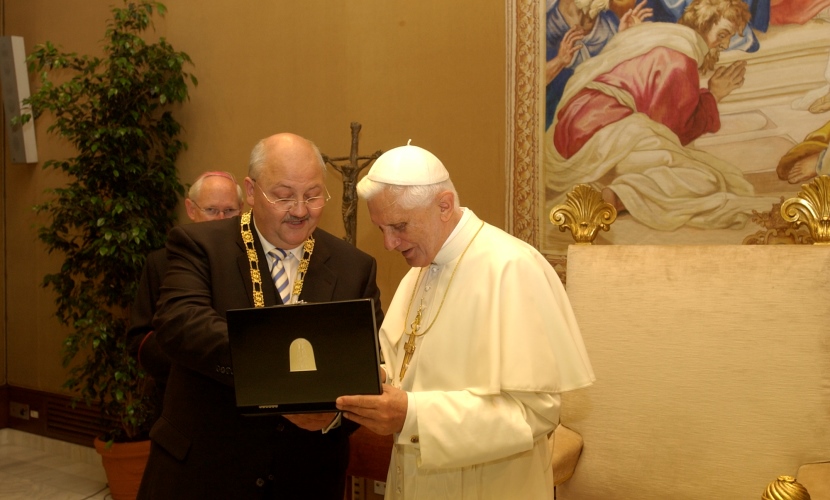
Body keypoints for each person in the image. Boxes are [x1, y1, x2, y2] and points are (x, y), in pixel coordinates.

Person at [335, 142, 595, 499]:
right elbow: (407, 368)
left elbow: (534, 413)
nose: (389, 244)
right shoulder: (421, 270)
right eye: (381, 228)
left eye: (398, 226)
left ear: (443, 205)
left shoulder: (511, 268)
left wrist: (413, 415)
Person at [137, 133, 383, 499]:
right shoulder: (201, 245)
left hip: (306, 477)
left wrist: (334, 417)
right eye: (283, 195)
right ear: (251, 191)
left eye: (313, 195)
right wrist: (275, 366)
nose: (300, 210)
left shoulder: (354, 267)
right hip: (203, 472)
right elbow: (180, 324)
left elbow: (366, 365)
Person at [546, 0, 781, 231]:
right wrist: (713, 96)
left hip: (574, 127)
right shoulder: (681, 59)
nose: (725, 43)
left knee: (693, 169)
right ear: (705, 22)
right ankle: (617, 196)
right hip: (602, 127)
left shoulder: (658, 36)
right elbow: (672, 133)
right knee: (706, 180)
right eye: (723, 34)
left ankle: (612, 188)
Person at [128, 170, 245, 399]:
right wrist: (197, 365)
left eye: (229, 210)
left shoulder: (253, 259)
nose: (221, 219)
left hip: (239, 394)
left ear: (242, 211)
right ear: (191, 210)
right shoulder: (161, 261)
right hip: (179, 394)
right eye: (211, 210)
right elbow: (139, 339)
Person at [545, 0, 652, 128]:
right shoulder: (547, 27)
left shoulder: (610, 22)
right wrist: (560, 61)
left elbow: (621, 79)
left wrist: (624, 39)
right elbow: (531, 84)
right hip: (561, 124)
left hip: (605, 121)